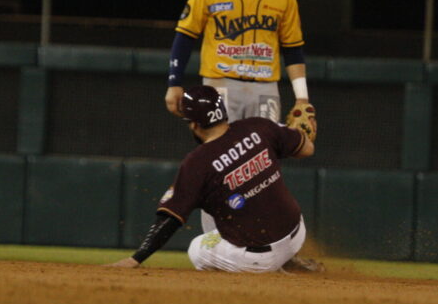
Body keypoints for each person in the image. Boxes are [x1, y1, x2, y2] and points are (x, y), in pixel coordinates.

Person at [111, 86, 318, 273]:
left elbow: (170, 218)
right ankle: (286, 260)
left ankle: (254, 282)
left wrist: (136, 258)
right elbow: (307, 149)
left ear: (194, 125)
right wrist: (297, 134)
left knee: (198, 247)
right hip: (296, 236)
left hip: (259, 260)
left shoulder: (197, 163)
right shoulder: (258, 126)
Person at [163, 0, 312, 124]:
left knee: (262, 151)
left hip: (264, 87)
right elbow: (185, 37)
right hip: (219, 83)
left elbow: (293, 49)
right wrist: (174, 82)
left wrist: (302, 97)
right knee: (219, 150)